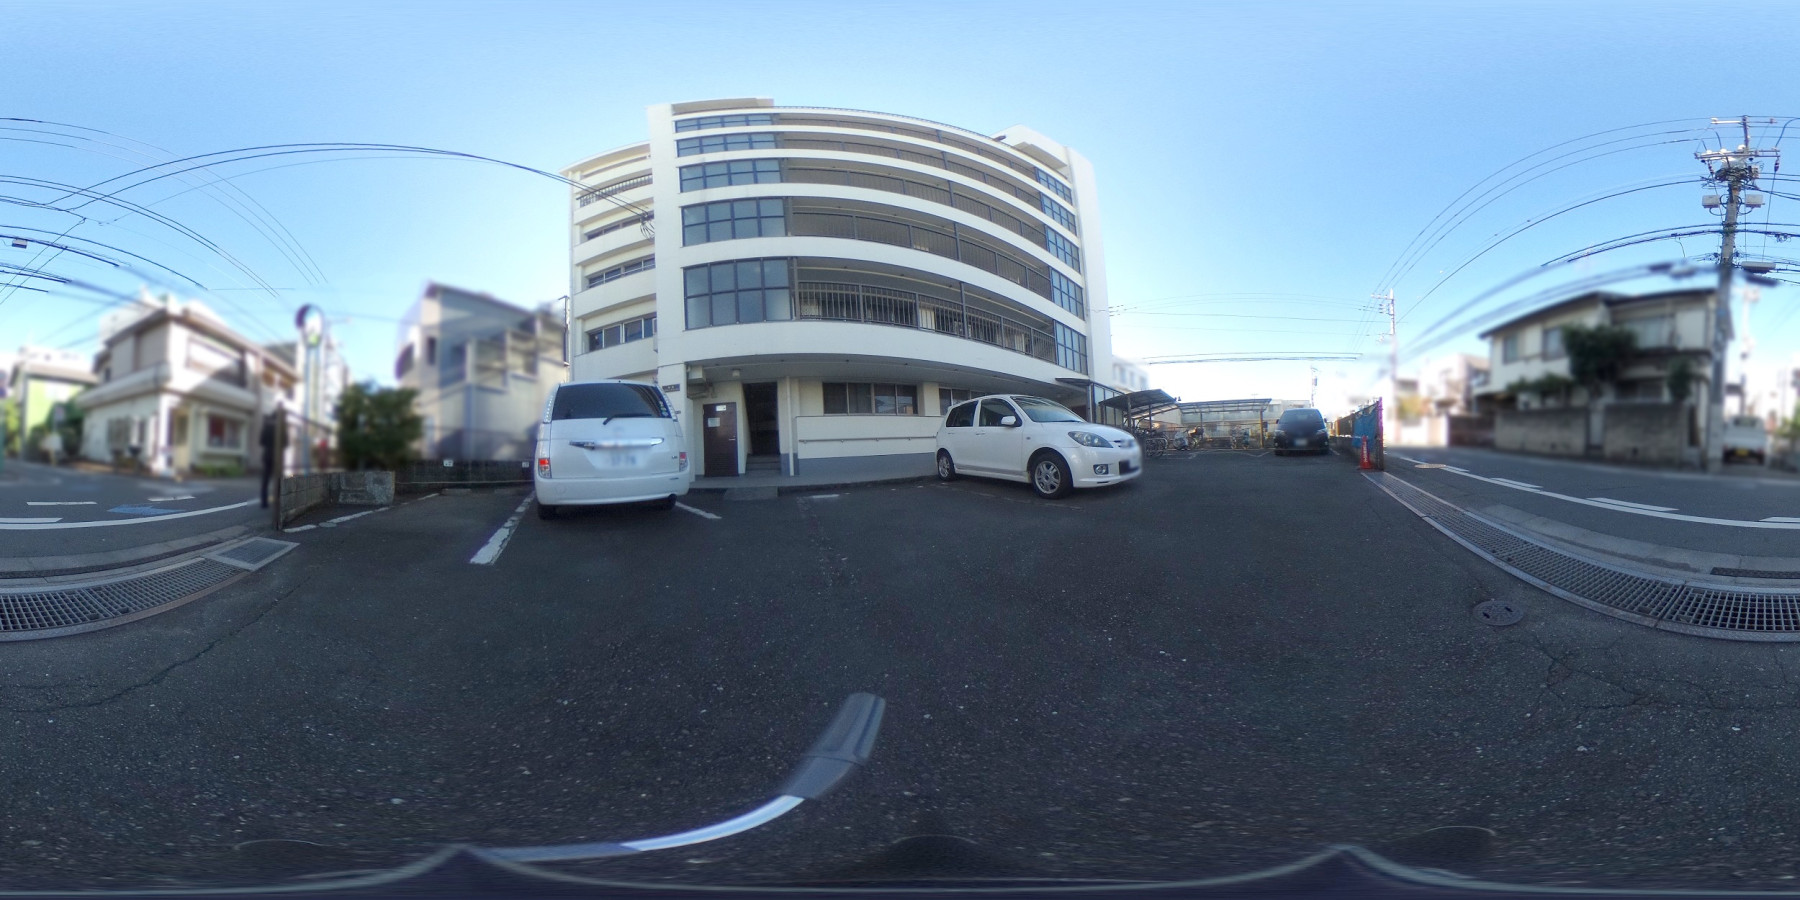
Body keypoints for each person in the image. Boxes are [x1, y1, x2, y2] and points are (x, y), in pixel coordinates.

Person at [260, 404, 283, 509]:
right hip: (277, 456)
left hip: (267, 455)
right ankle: (278, 502)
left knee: (265, 479)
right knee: (278, 479)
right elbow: (286, 442)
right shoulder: (281, 427)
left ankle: (264, 502)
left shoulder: (267, 425)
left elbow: (261, 441)